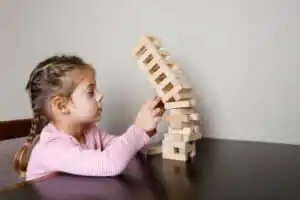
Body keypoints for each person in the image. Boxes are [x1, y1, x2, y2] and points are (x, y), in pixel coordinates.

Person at [13, 55, 164, 181]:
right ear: (61, 106)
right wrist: (138, 129)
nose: (100, 95)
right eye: (91, 92)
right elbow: (110, 163)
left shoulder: (90, 131)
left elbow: (118, 147)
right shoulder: (52, 149)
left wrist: (146, 130)